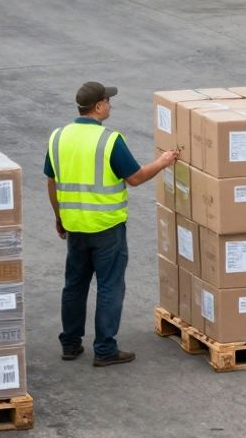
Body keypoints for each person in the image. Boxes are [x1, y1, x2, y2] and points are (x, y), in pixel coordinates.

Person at [46, 82, 178, 367]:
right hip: (107, 228)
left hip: (75, 227)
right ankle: (105, 349)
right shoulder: (109, 140)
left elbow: (51, 181)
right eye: (108, 101)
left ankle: (70, 344)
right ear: (98, 106)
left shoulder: (58, 137)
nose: (110, 105)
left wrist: (59, 218)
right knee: (109, 287)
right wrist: (164, 161)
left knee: (74, 286)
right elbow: (136, 177)